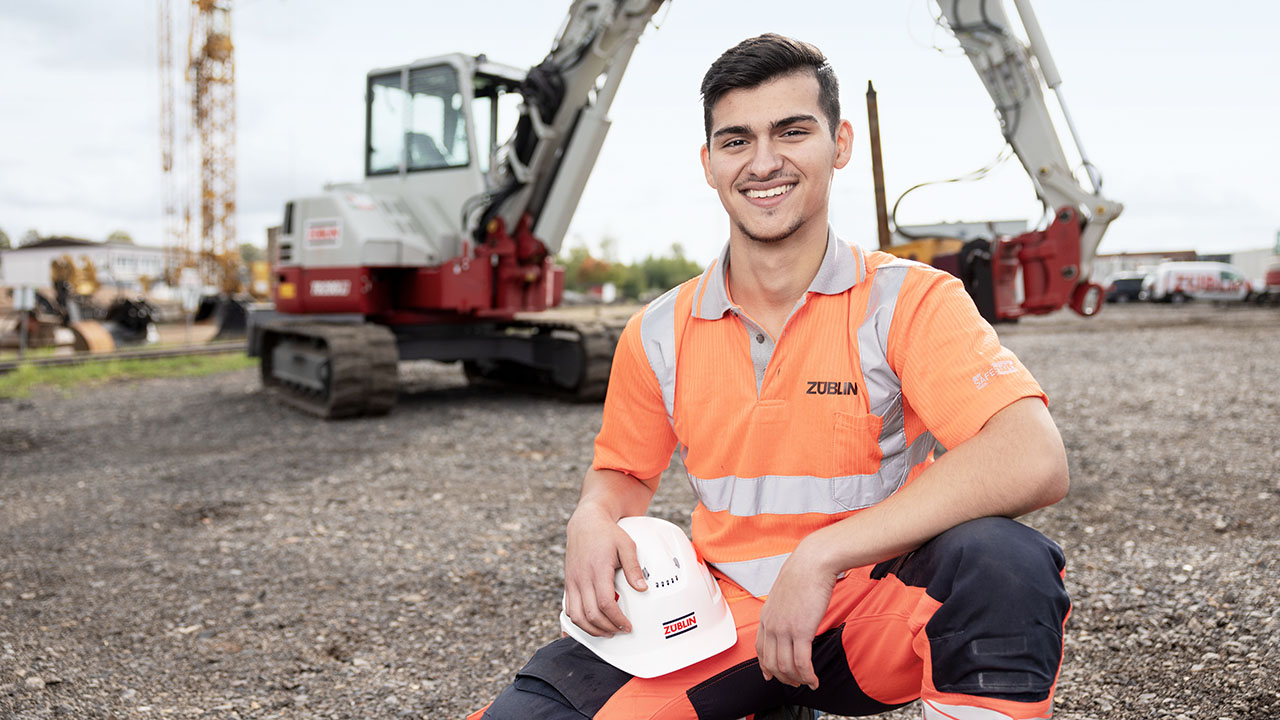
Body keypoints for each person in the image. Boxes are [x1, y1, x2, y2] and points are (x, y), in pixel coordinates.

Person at [471, 34, 1071, 720]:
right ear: (708, 162)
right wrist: (592, 514)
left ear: (839, 143)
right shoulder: (658, 330)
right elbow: (623, 473)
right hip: (716, 623)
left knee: (1002, 563)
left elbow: (1033, 455)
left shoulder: (908, 301)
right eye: (736, 140)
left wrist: (820, 556)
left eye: (792, 131)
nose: (763, 162)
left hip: (866, 612)